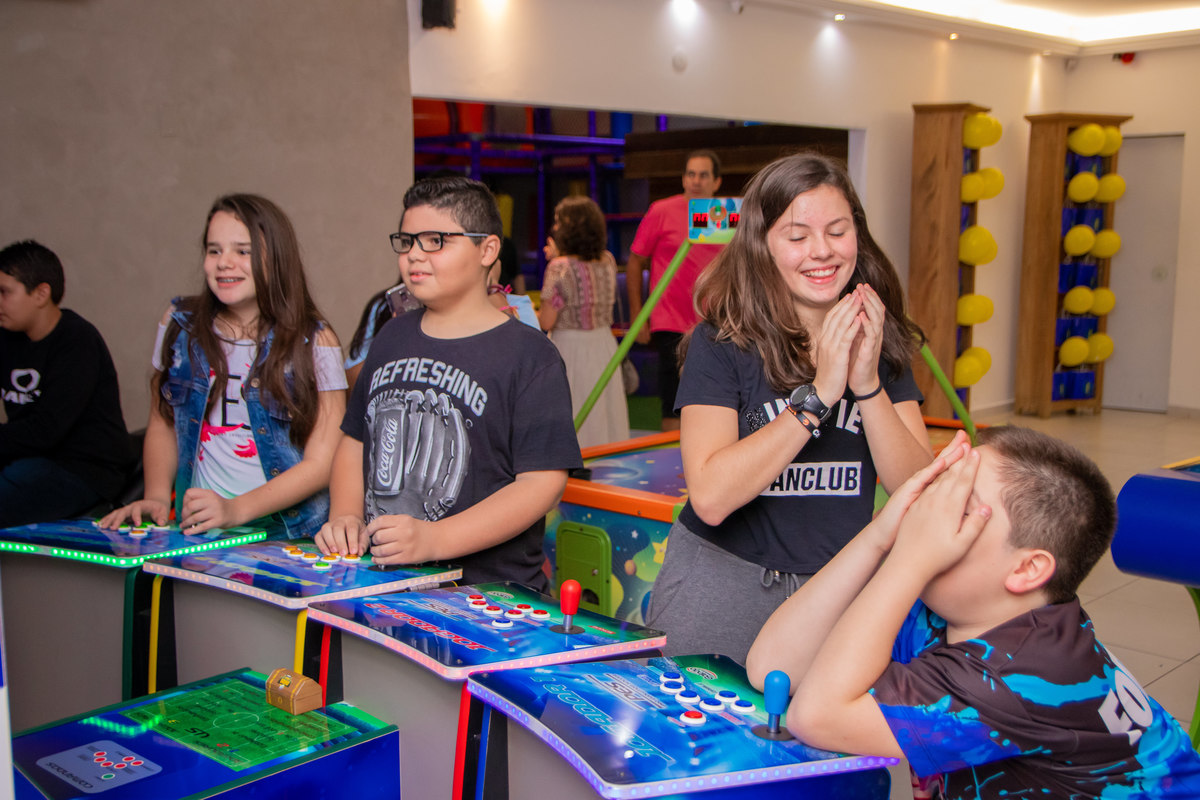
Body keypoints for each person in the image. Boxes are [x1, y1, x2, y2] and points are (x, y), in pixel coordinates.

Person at [747, 427, 1200, 798]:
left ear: (1027, 568)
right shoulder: (954, 606)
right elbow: (774, 666)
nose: (931, 516)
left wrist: (908, 559)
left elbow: (817, 717)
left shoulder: (1015, 673)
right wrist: (880, 535)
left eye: (959, 510)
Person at [643, 152, 932, 663]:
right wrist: (816, 398)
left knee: (817, 739)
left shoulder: (879, 340)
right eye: (797, 237)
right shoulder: (722, 342)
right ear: (762, 246)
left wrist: (866, 385)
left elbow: (917, 491)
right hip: (722, 580)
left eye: (838, 232)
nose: (821, 252)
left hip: (835, 586)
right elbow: (710, 496)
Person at [315, 176, 581, 590]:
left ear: (487, 250)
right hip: (382, 583)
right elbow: (354, 441)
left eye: (435, 240)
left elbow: (542, 484)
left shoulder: (531, 355)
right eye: (407, 242)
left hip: (487, 598)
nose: (414, 255)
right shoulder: (391, 336)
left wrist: (435, 539)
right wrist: (345, 516)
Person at [100, 194, 346, 537]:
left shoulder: (316, 340)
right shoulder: (178, 324)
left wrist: (235, 509)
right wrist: (156, 496)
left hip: (287, 535)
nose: (224, 262)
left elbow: (323, 463)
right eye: (214, 250)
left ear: (275, 259)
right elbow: (162, 419)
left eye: (242, 251)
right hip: (201, 531)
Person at [0, 240, 133, 526]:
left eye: (4, 292)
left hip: (85, 469)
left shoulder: (77, 341)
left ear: (41, 293)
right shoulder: (7, 338)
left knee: (17, 480)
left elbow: (45, 431)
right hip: (31, 460)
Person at [626, 149, 723, 431]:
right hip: (669, 318)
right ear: (683, 178)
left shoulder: (724, 215)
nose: (696, 180)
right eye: (691, 174)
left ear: (716, 182)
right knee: (672, 393)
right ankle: (670, 465)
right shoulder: (662, 211)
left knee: (714, 393)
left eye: (703, 175)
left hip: (713, 319)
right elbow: (635, 261)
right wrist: (638, 313)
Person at [538, 196, 629, 449]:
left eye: (558, 222)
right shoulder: (607, 261)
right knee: (604, 411)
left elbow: (547, 320)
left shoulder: (559, 268)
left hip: (570, 347)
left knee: (575, 408)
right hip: (603, 344)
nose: (554, 228)